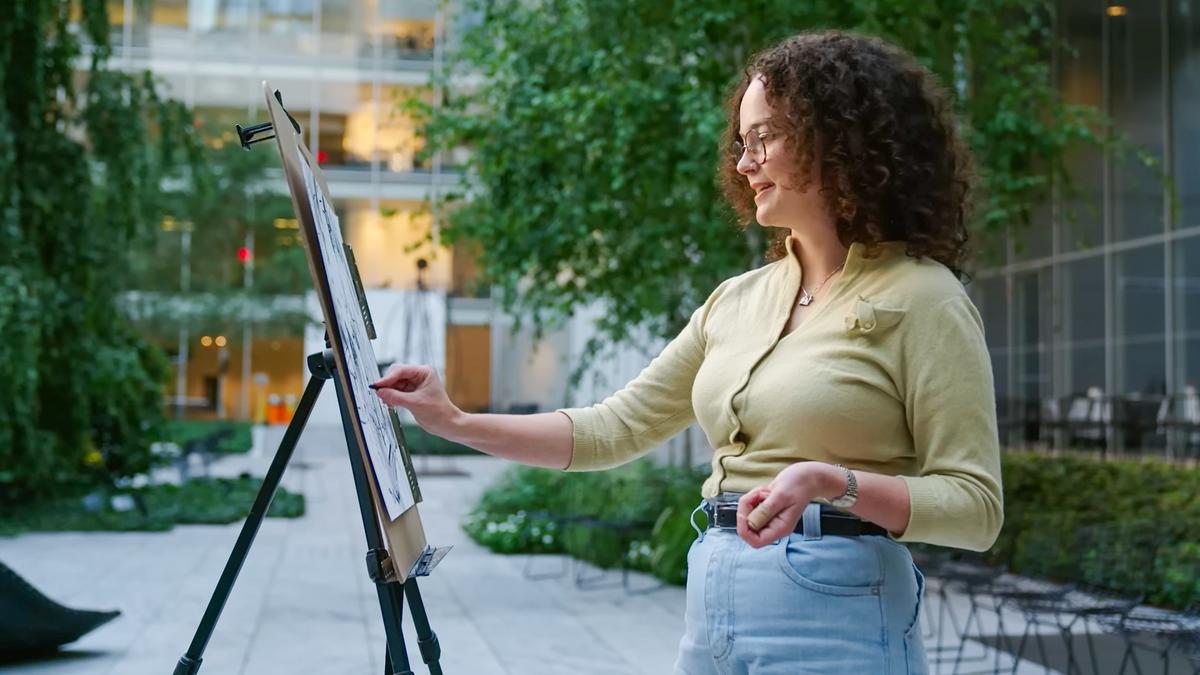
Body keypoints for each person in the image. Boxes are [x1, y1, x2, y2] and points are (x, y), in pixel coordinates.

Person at [373, 30, 1002, 675]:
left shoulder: (924, 297)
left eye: (766, 138)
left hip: (838, 608)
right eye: (742, 142)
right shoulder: (737, 300)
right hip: (715, 599)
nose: (744, 163)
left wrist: (831, 484)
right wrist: (454, 421)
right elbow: (611, 430)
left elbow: (975, 508)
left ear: (840, 140)